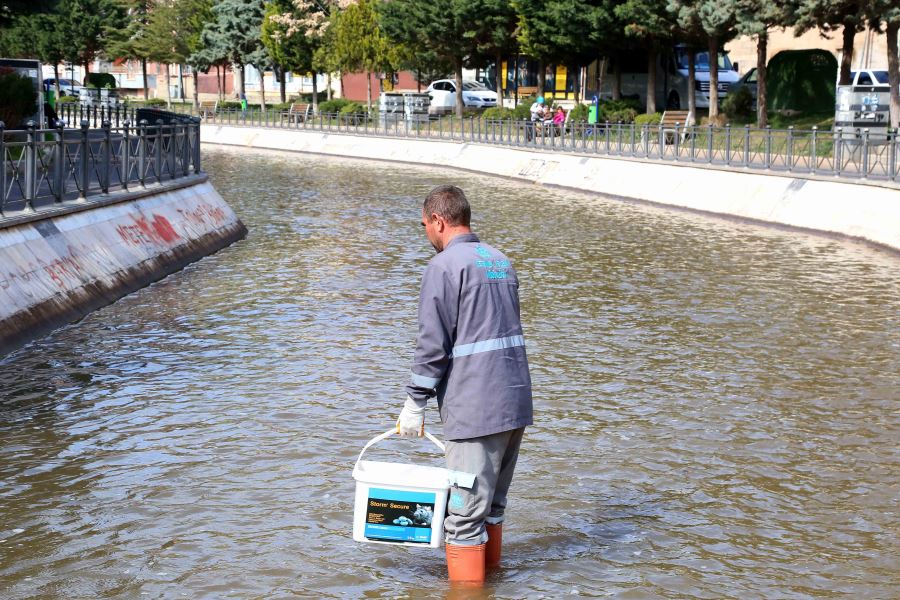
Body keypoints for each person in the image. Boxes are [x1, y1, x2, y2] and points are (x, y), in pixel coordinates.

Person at [397, 184, 533, 585]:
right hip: (515, 403)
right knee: (492, 508)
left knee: (462, 519)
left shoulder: (443, 268)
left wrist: (414, 401)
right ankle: (494, 584)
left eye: (424, 225)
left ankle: (467, 594)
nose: (425, 232)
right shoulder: (500, 261)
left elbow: (432, 344)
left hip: (475, 410)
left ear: (438, 221)